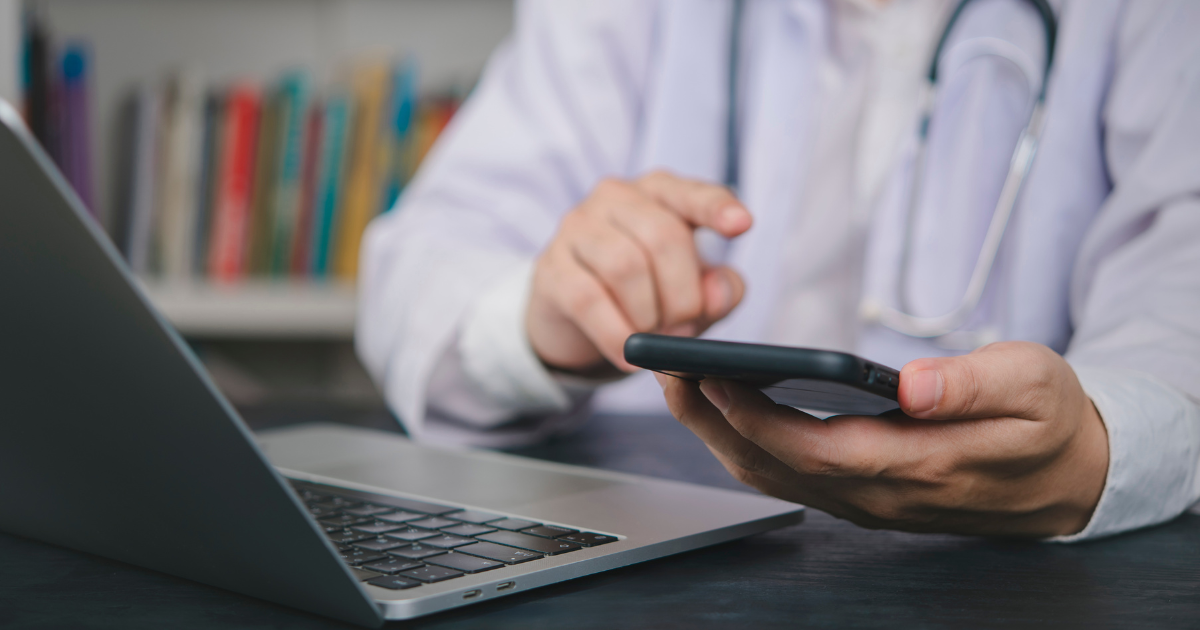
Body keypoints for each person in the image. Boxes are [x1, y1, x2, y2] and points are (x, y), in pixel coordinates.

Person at [356, 0, 1200, 540]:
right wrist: (545, 320)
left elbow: (1181, 305)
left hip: (1005, 578)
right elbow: (420, 263)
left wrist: (1097, 447)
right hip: (647, 541)